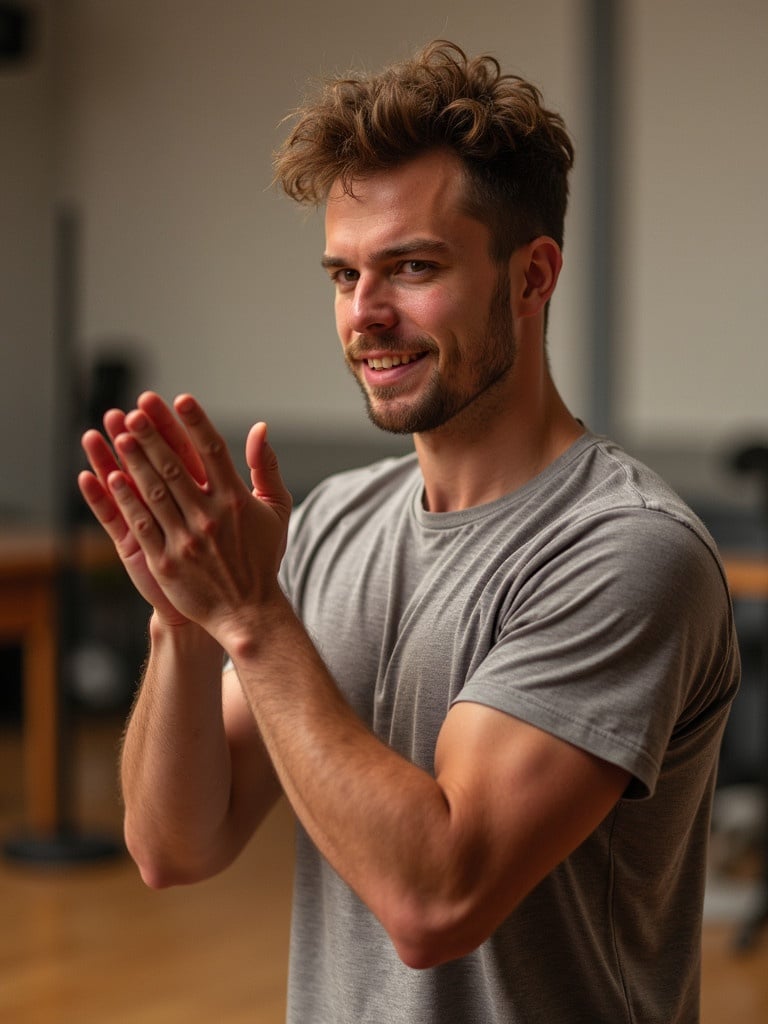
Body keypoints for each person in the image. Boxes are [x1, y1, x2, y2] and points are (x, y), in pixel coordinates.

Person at [78, 40, 740, 1024]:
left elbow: (438, 899)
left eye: (412, 268)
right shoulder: (336, 520)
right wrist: (186, 620)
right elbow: (175, 846)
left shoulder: (624, 549)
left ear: (533, 275)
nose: (365, 315)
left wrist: (253, 618)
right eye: (343, 276)